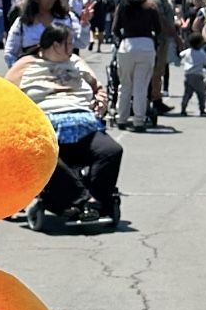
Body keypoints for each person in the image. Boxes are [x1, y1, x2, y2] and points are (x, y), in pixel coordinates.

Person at [7, 23, 122, 227]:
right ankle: (83, 199)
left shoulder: (76, 62)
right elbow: (6, 95)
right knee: (44, 156)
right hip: (46, 124)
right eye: (68, 43)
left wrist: (101, 102)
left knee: (112, 151)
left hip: (83, 122)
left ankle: (97, 200)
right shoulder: (26, 65)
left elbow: (98, 88)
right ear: (54, 44)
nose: (72, 47)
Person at [112, 0, 159, 131]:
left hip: (127, 45)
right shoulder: (151, 7)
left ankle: (121, 118)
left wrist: (121, 40)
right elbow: (158, 29)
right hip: (146, 45)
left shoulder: (123, 6)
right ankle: (139, 120)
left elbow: (115, 29)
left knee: (124, 85)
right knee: (141, 85)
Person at [4, 0, 63, 66]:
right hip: (33, 74)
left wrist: (84, 24)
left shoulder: (65, 19)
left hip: (64, 73)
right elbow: (10, 53)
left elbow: (81, 43)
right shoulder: (23, 23)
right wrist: (19, 71)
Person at [145, 0, 176, 116]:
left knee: (160, 71)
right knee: (154, 72)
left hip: (164, 40)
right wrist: (177, 37)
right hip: (157, 39)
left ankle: (157, 99)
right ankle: (152, 101)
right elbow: (162, 20)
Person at [179, 31, 206, 116]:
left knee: (187, 94)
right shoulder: (201, 53)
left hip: (188, 75)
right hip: (198, 76)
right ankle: (202, 109)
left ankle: (183, 109)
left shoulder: (188, 51)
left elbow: (180, 54)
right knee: (201, 94)